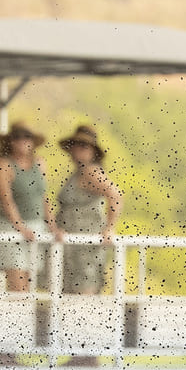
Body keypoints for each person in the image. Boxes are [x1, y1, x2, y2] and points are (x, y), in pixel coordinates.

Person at [54, 124, 122, 296]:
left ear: (93, 151)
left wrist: (109, 227)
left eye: (83, 146)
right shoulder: (79, 172)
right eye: (75, 144)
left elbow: (115, 195)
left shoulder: (92, 171)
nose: (78, 149)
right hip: (72, 244)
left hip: (85, 245)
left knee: (84, 292)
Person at [0, 122, 56, 293]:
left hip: (37, 227)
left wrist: (53, 227)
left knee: (31, 284)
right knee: (18, 286)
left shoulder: (40, 163)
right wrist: (20, 227)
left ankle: (26, 318)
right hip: (12, 228)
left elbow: (43, 197)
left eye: (27, 137)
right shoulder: (3, 164)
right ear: (10, 141)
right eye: (17, 137)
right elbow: (6, 200)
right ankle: (19, 320)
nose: (22, 141)